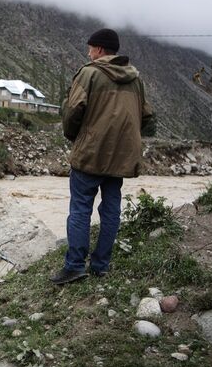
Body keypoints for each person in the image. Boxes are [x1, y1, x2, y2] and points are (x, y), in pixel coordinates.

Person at [50, 28, 155, 285]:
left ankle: (75, 266)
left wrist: (75, 137)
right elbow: (147, 117)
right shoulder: (135, 79)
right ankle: (101, 266)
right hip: (120, 157)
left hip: (90, 154)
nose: (88, 52)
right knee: (111, 209)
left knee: (80, 209)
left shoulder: (89, 73)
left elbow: (73, 110)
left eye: (90, 48)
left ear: (99, 49)